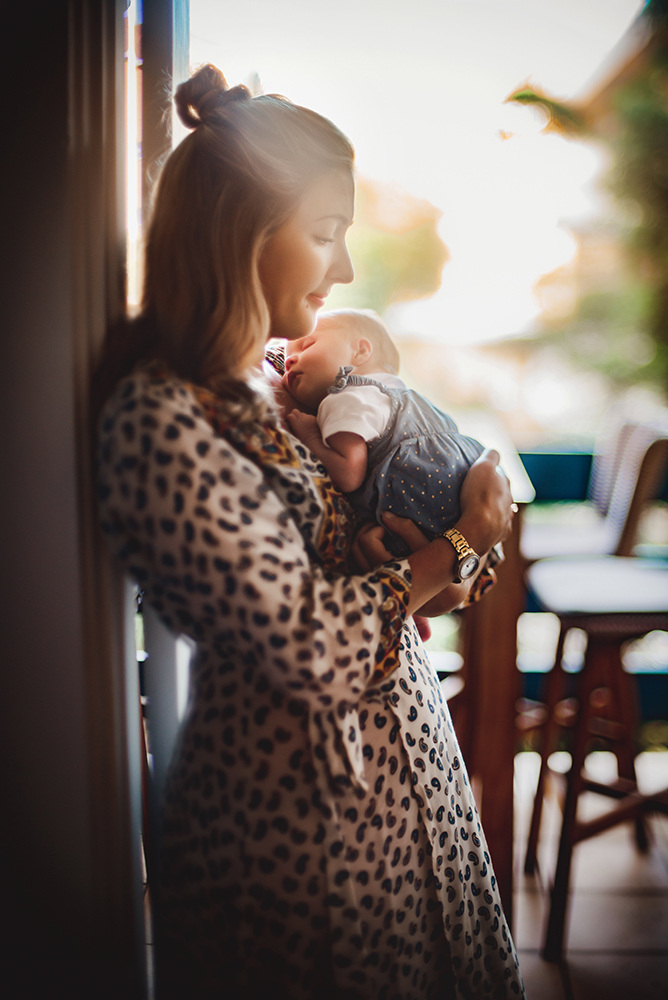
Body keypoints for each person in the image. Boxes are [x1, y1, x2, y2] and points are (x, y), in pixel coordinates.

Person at [95, 63, 525, 999]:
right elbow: (305, 642)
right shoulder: (162, 420)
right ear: (241, 235)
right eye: (325, 233)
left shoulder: (259, 389)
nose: (344, 270)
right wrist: (449, 549)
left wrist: (429, 562)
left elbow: (335, 562)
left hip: (393, 797)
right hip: (301, 838)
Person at [282, 308, 501, 570]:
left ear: (361, 351)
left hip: (416, 508)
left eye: (306, 345)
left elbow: (349, 473)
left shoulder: (346, 397)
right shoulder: (410, 398)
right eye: (287, 356)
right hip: (461, 499)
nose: (290, 360)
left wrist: (310, 437)